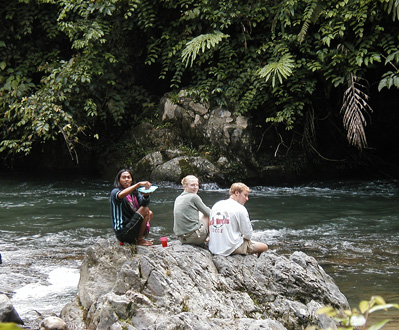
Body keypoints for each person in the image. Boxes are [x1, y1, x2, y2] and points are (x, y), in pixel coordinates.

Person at [208, 182, 268, 256]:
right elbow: (248, 234)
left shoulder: (216, 205)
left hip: (213, 248)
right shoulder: (240, 208)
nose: (247, 199)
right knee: (264, 247)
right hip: (229, 249)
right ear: (236, 193)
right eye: (245, 195)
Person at [110, 169, 154, 246]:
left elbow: (144, 203)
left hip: (132, 227)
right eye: (123, 177)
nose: (126, 179)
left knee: (149, 213)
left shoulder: (134, 193)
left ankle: (138, 238)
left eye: (128, 177)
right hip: (123, 231)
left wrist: (146, 194)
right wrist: (138, 184)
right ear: (119, 180)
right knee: (145, 210)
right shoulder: (115, 192)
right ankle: (139, 240)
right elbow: (120, 195)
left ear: (131, 180)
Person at [173, 175, 211, 245]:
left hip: (181, 238)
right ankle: (209, 237)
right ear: (185, 186)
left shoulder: (178, 198)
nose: (195, 187)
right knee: (205, 215)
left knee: (200, 213)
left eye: (197, 185)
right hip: (194, 237)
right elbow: (209, 213)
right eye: (192, 185)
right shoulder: (194, 197)